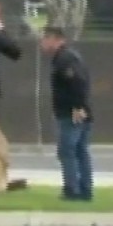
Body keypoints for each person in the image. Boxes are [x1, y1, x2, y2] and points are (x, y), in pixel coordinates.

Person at [40, 26, 93, 201]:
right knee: (80, 151)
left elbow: (77, 81)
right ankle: (85, 190)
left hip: (72, 113)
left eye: (45, 39)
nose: (42, 43)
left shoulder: (64, 59)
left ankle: (72, 190)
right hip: (79, 110)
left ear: (56, 40)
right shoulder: (69, 56)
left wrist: (78, 106)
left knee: (67, 151)